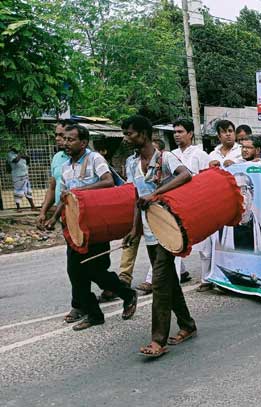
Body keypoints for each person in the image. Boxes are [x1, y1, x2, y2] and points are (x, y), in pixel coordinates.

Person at [47, 123, 137, 331]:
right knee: (75, 272)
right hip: (74, 227)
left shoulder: (95, 159)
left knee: (95, 270)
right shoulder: (65, 167)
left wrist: (81, 192)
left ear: (84, 142)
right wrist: (54, 217)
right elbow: (66, 197)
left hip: (96, 226)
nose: (66, 143)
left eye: (71, 140)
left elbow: (108, 181)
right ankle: (94, 314)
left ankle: (126, 293)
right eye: (64, 139)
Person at [122, 115, 196, 358]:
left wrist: (157, 194)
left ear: (144, 134)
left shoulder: (165, 157)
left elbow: (185, 175)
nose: (126, 138)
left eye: (130, 133)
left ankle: (157, 340)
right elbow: (137, 196)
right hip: (150, 230)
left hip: (170, 228)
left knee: (160, 282)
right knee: (168, 282)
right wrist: (135, 230)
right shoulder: (132, 163)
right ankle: (187, 324)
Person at [167, 119, 214, 293]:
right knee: (175, 240)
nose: (177, 135)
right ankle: (174, 278)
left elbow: (207, 178)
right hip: (177, 203)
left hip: (198, 202)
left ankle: (206, 278)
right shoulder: (171, 155)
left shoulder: (200, 154)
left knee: (204, 245)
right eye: (175, 132)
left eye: (180, 131)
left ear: (190, 134)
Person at [37, 121, 70, 230]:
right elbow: (52, 187)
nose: (57, 138)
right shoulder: (57, 157)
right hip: (63, 214)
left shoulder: (88, 158)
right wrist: (43, 212)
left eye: (61, 135)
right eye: (56, 135)